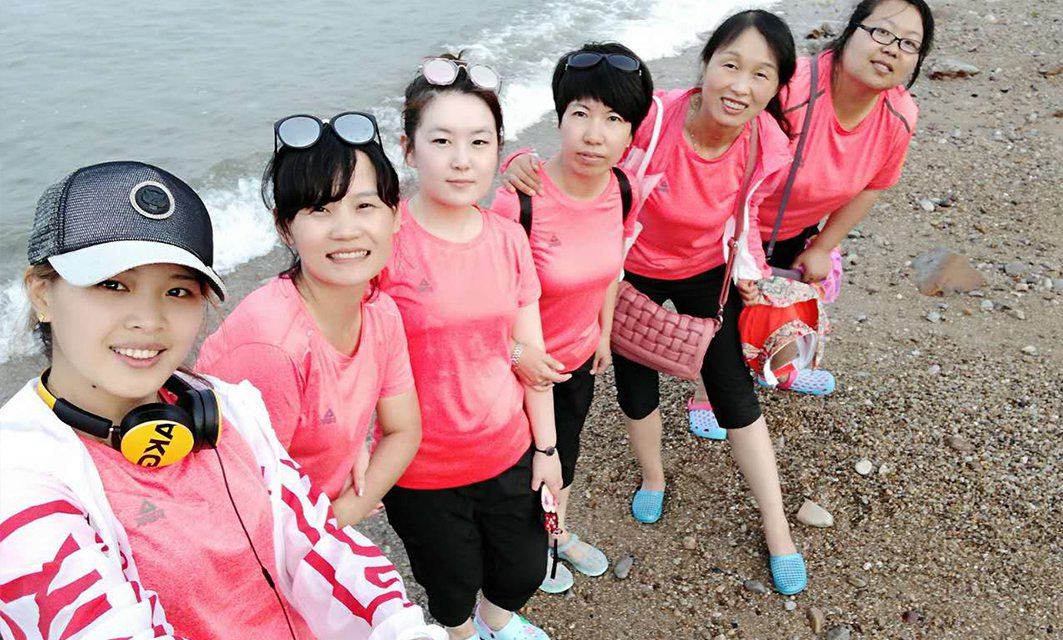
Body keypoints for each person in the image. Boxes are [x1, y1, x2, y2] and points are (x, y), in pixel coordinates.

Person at [0, 161, 444, 638]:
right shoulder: (20, 485)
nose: (149, 319)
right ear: (41, 293)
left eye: (177, 290)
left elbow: (316, 543)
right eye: (112, 284)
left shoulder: (229, 408)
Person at [503, 11, 808, 595]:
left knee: (734, 394)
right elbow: (588, 142)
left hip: (706, 271)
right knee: (635, 386)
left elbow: (747, 211)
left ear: (776, 87)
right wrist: (518, 159)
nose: (740, 86)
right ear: (706, 64)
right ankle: (653, 477)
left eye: (761, 75)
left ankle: (777, 527)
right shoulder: (656, 116)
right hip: (631, 270)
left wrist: (750, 270)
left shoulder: (766, 142)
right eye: (730, 65)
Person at [379, 56, 562, 640]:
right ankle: (464, 633)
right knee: (449, 585)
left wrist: (548, 448)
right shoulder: (384, 243)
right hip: (421, 467)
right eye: (442, 140)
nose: (462, 159)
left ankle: (495, 623)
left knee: (524, 568)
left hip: (507, 448)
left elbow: (531, 354)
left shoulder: (508, 237)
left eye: (479, 142)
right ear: (409, 151)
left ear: (497, 149)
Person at [685, 0, 936, 426]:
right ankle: (706, 392)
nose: (892, 48)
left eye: (909, 44)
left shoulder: (899, 116)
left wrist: (823, 245)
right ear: (851, 31)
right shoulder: (792, 87)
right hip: (728, 220)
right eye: (881, 32)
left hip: (793, 227)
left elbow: (875, 184)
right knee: (722, 311)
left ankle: (777, 365)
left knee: (788, 299)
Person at [198, 112, 420, 527]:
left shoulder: (380, 312)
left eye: (365, 205)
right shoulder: (272, 348)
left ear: (395, 215)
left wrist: (343, 514)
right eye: (320, 209)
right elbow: (239, 504)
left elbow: (404, 431)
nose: (346, 230)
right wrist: (325, 534)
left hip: (318, 525)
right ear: (285, 228)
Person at [490, 41, 652, 594]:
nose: (593, 134)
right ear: (559, 117)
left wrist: (603, 333)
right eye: (581, 113)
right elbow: (482, 305)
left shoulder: (624, 190)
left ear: (631, 135)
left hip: (575, 362)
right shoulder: (519, 200)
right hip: (514, 372)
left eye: (614, 119)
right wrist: (518, 355)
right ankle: (520, 557)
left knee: (565, 456)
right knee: (516, 473)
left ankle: (556, 535)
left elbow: (611, 269)